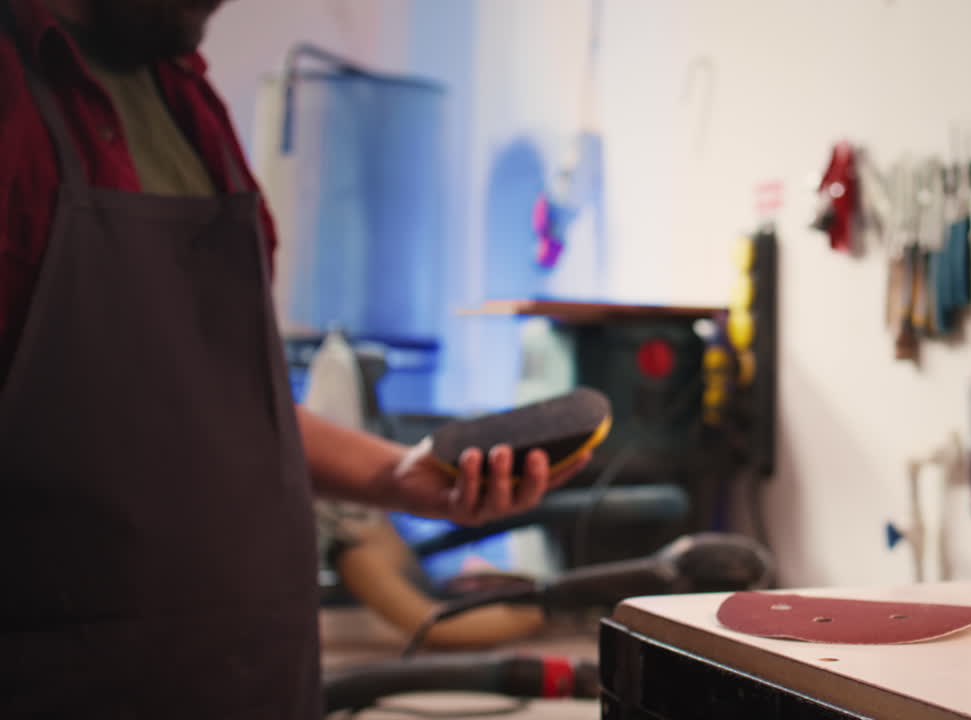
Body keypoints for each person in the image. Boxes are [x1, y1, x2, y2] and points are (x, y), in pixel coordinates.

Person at [0, 0, 588, 716]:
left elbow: (234, 398)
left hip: (259, 674)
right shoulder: (18, 96)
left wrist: (402, 478)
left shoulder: (187, 96)